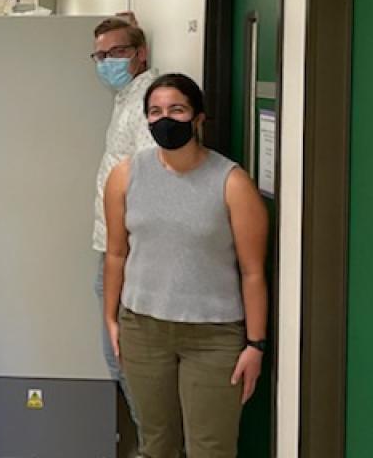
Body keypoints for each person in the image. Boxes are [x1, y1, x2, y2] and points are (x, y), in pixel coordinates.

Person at [103, 74, 269, 458]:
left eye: (176, 109)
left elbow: (253, 272)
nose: (165, 119)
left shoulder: (231, 182)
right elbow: (116, 253)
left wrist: (255, 344)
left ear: (198, 118)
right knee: (156, 444)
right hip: (142, 329)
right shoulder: (126, 176)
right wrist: (110, 318)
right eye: (155, 111)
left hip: (213, 336)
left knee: (210, 448)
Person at [90, 13, 156, 443]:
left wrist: (124, 254)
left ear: (140, 53)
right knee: (120, 354)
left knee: (124, 356)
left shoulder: (149, 98)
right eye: (100, 55)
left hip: (130, 253)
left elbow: (148, 180)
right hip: (113, 246)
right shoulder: (126, 97)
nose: (107, 62)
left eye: (117, 52)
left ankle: (156, 443)